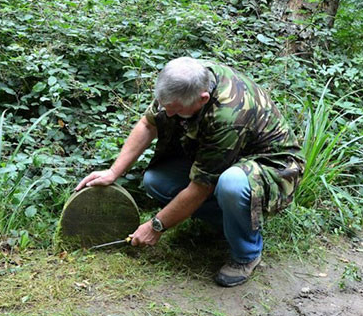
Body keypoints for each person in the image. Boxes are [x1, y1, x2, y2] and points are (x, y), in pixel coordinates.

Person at [75, 57, 304, 287]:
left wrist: (156, 226)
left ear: (203, 99)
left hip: (272, 167)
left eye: (176, 111)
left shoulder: (227, 114)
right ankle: (229, 223)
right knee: (156, 181)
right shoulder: (182, 81)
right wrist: (113, 172)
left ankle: (247, 254)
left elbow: (201, 187)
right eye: (166, 107)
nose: (170, 114)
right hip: (225, 157)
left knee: (231, 185)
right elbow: (148, 124)